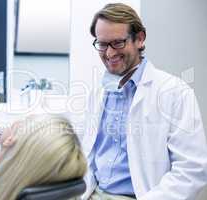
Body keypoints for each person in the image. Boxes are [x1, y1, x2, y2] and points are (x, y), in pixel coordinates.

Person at [82, 3, 207, 200]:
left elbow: (192, 168)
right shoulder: (98, 93)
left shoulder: (175, 92)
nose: (109, 53)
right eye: (103, 44)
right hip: (92, 194)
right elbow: (85, 152)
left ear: (139, 39)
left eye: (118, 43)